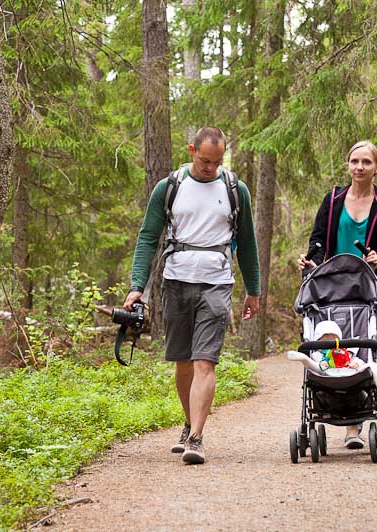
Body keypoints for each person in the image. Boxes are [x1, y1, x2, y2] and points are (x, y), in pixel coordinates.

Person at [123, 126, 261, 465]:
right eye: (205, 161)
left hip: (216, 283)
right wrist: (137, 286)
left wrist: (254, 291)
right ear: (191, 151)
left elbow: (247, 243)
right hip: (175, 281)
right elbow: (147, 237)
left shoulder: (234, 189)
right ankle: (187, 424)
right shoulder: (169, 187)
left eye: (217, 162)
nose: (211, 168)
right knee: (183, 362)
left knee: (204, 361)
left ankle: (197, 438)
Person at [297, 140, 377, 449]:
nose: (359, 167)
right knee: (331, 350)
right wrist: (312, 260)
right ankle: (340, 416)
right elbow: (317, 239)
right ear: (348, 164)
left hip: (368, 287)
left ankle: (354, 427)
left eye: (366, 162)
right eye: (354, 161)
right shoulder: (333, 199)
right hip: (330, 290)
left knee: (363, 348)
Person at [286, 320, 377, 396]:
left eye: (334, 340)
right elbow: (318, 367)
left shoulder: (347, 352)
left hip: (351, 374)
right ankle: (303, 358)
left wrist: (356, 365)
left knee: (373, 366)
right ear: (317, 342)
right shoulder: (318, 354)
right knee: (314, 366)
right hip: (326, 373)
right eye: (325, 341)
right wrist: (323, 364)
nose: (330, 345)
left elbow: (355, 361)